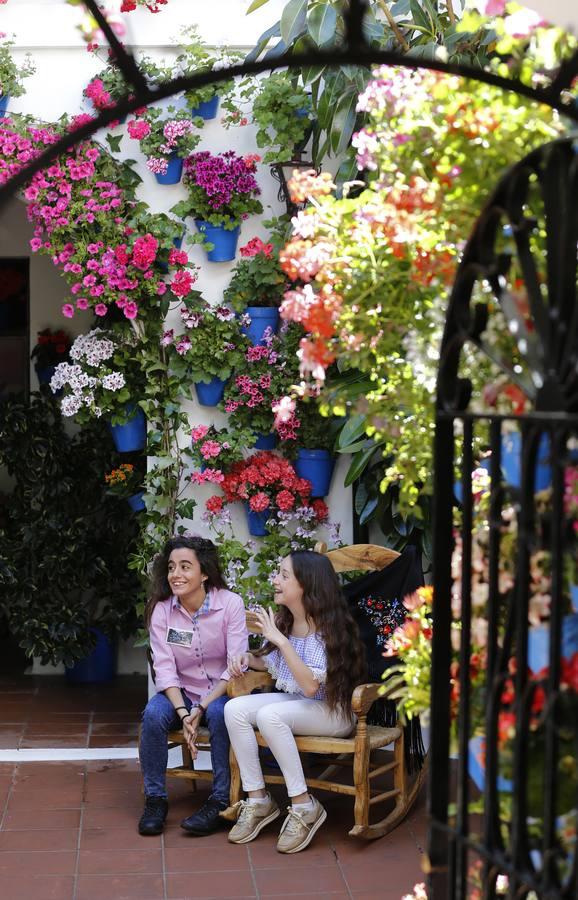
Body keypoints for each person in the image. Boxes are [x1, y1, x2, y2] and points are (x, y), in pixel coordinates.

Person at [224, 550, 367, 854]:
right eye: (278, 573)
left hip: (334, 712)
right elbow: (273, 663)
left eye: (284, 575)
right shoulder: (286, 621)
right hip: (299, 705)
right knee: (234, 709)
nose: (275, 580)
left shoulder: (332, 627)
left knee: (270, 715)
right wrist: (247, 659)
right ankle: (258, 799)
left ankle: (304, 805)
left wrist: (280, 640)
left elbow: (310, 684)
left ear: (307, 584)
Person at [138, 535, 247, 837]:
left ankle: (220, 800)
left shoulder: (230, 605)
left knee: (222, 715)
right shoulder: (162, 610)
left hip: (222, 691)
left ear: (205, 573)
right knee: (152, 715)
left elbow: (235, 668)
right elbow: (165, 668)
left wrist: (201, 706)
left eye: (186, 567)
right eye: (172, 567)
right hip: (182, 692)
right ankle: (156, 800)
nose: (176, 574)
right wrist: (184, 712)